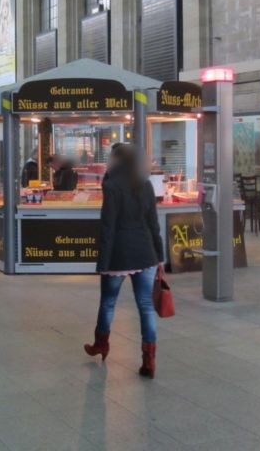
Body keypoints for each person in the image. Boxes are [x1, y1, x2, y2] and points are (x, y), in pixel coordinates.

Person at [84, 144, 164, 379]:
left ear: (116, 160)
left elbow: (108, 226)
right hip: (145, 253)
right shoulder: (145, 184)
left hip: (119, 254)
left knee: (108, 303)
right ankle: (149, 359)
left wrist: (103, 262)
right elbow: (153, 223)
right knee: (146, 306)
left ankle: (101, 344)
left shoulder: (112, 186)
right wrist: (159, 257)